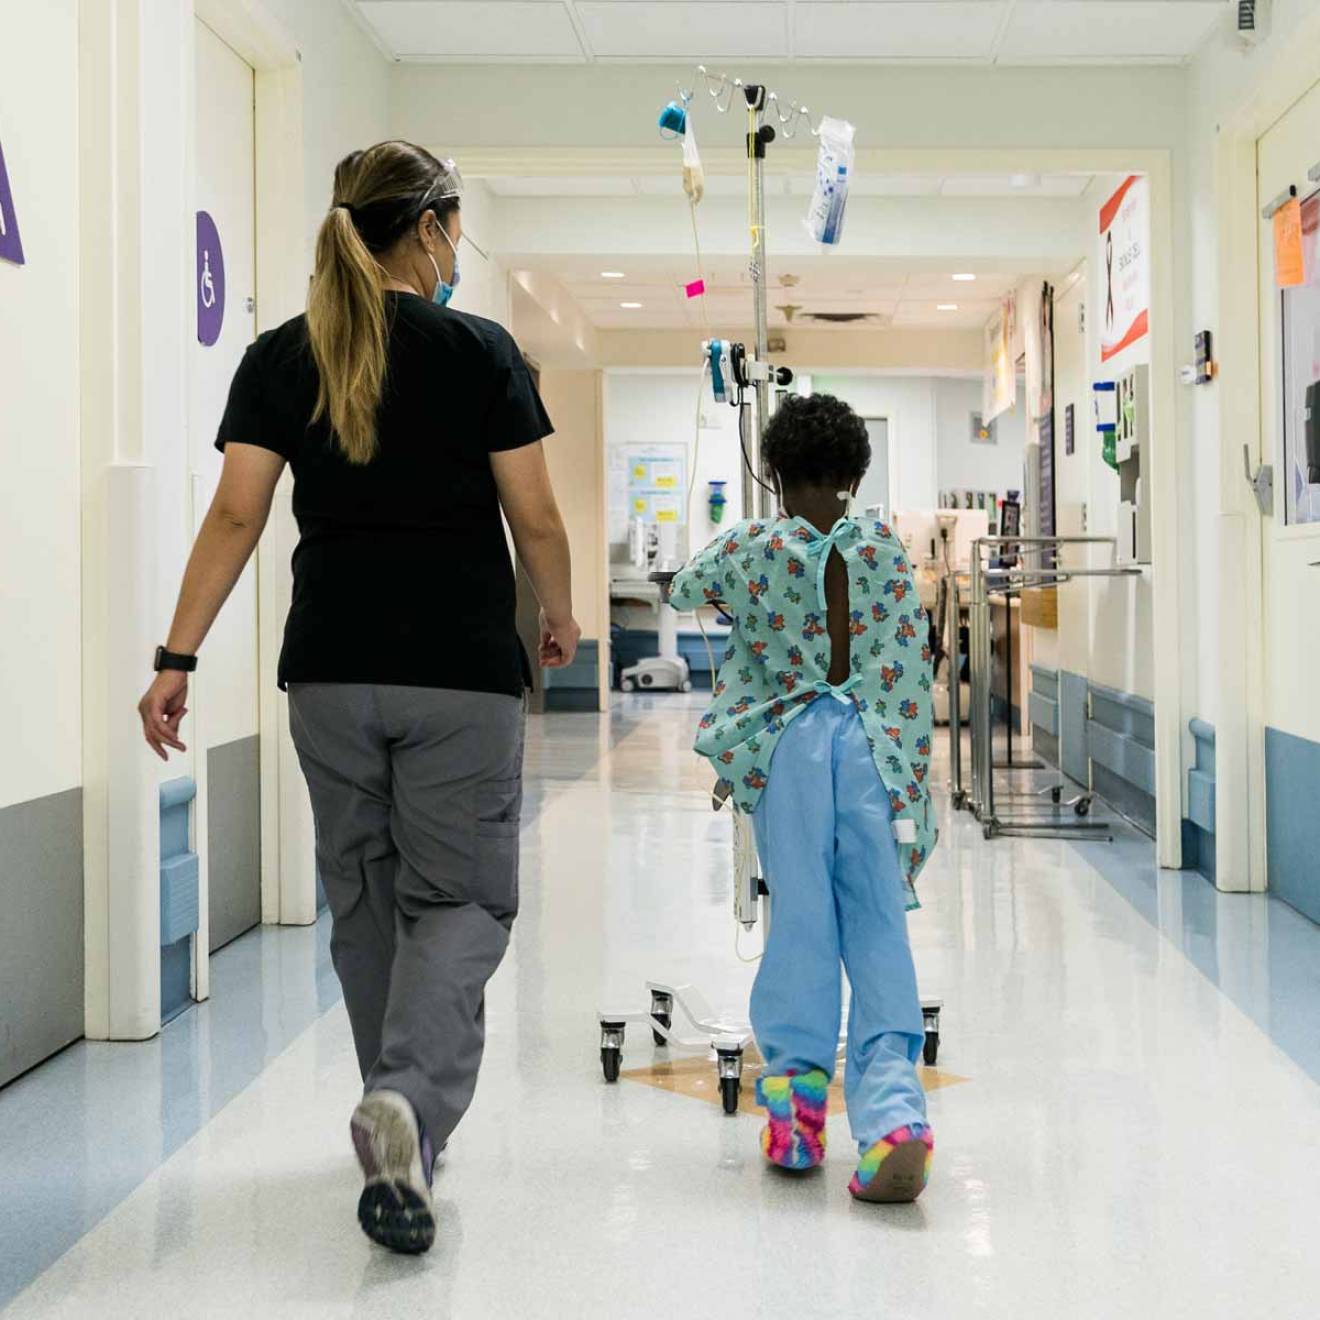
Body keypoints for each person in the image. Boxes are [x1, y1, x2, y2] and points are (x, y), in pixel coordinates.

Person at [136, 141, 579, 1253]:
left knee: (368, 897)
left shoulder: (282, 357)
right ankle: (409, 1107)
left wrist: (176, 657)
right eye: (456, 230)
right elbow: (535, 518)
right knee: (464, 900)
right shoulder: (480, 350)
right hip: (459, 675)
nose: (457, 251)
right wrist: (559, 614)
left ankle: (404, 1130)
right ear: (427, 229)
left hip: (328, 672)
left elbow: (235, 516)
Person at [667, 393, 937, 1203]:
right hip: (875, 760)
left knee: (802, 927)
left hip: (790, 753)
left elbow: (684, 589)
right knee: (879, 928)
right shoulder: (886, 549)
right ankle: (893, 1120)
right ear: (856, 475)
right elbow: (910, 659)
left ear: (776, 475)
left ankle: (795, 1120)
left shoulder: (752, 546)